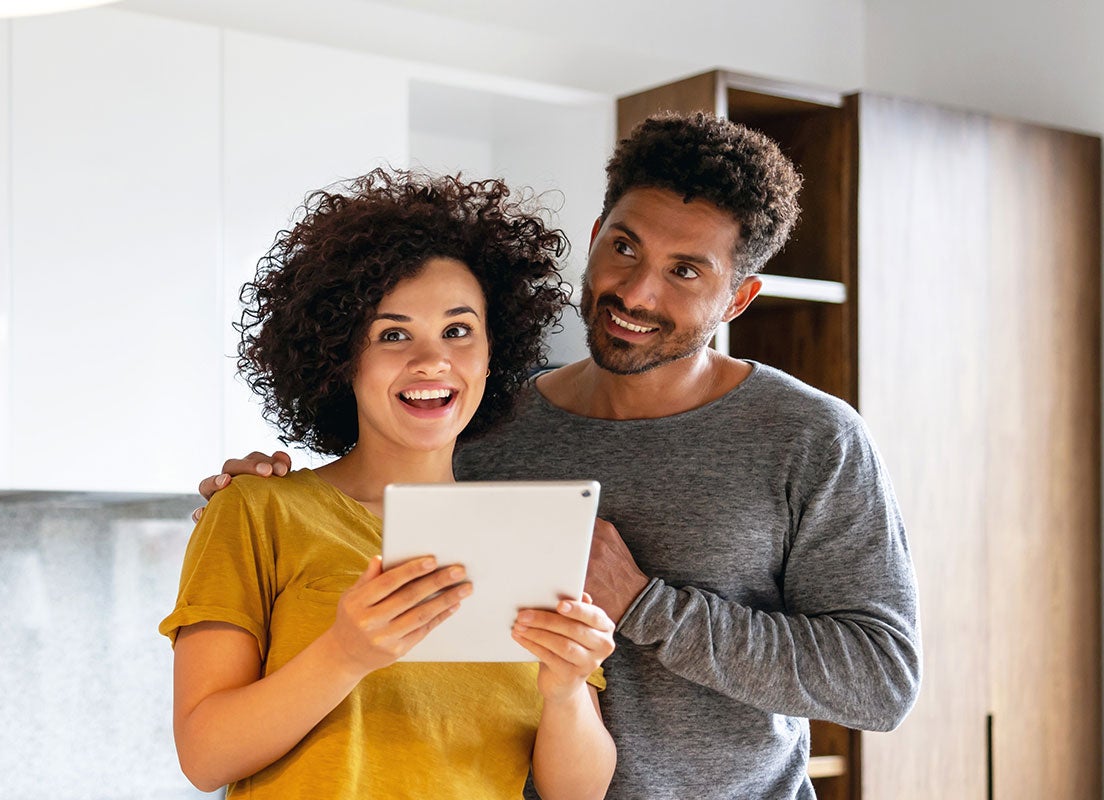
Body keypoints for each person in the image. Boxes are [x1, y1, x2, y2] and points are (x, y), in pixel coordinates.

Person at [196, 112, 922, 798]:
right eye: (626, 247)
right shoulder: (487, 427)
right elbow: (369, 498)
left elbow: (880, 681)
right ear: (598, 231)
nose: (636, 292)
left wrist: (643, 603)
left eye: (686, 271)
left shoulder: (810, 438)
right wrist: (256, 495)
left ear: (739, 298)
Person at [161, 169, 616, 799]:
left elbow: (579, 793)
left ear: (493, 352)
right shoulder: (255, 510)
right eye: (392, 334)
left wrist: (566, 691)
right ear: (341, 356)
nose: (432, 361)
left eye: (459, 331)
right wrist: (344, 652)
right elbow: (204, 756)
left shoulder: (530, 535)